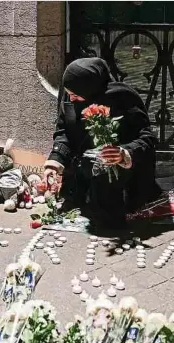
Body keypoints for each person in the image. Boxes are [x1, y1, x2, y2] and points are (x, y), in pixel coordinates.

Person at [43, 57, 161, 228]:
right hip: (83, 169)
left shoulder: (123, 99)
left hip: (118, 174)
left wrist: (124, 154)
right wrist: (55, 161)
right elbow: (64, 133)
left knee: (108, 215)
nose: (71, 99)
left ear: (90, 89)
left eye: (76, 95)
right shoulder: (70, 99)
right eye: (69, 94)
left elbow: (147, 139)